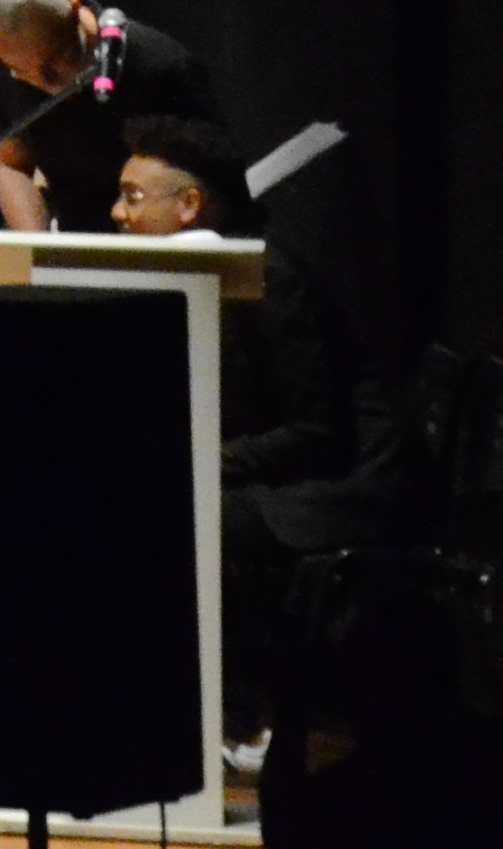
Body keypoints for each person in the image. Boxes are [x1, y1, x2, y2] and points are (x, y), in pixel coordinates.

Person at [113, 113, 367, 740]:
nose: (118, 212)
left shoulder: (268, 281)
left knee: (187, 514)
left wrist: (200, 460)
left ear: (191, 206)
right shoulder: (188, 276)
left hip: (325, 488)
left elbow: (318, 433)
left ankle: (232, 718)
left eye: (134, 196)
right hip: (248, 474)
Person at [0, 0, 224, 232]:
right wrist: (40, 255)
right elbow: (9, 163)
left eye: (55, 60)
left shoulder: (160, 66)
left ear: (76, 12)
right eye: (20, 72)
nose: (46, 84)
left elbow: (210, 189)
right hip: (69, 235)